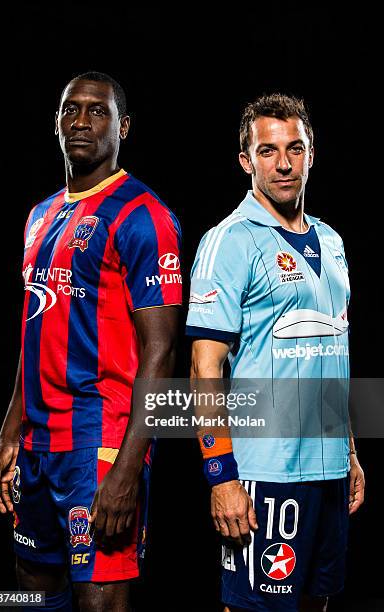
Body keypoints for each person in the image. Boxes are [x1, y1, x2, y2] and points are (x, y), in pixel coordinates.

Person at [0, 71, 182, 612]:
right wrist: (9, 435)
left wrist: (128, 469)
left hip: (102, 443)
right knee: (28, 591)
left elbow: (163, 353)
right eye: (71, 110)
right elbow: (35, 331)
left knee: (99, 603)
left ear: (125, 126)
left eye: (98, 112)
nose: (82, 122)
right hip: (37, 446)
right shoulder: (38, 216)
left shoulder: (145, 216)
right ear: (56, 123)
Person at [186, 93, 365, 612]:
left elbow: (332, 352)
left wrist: (349, 452)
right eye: (267, 151)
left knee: (317, 601)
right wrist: (220, 476)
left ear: (312, 153)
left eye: (295, 148)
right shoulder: (229, 241)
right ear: (246, 160)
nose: (283, 163)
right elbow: (204, 368)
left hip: (328, 470)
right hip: (264, 472)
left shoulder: (331, 241)